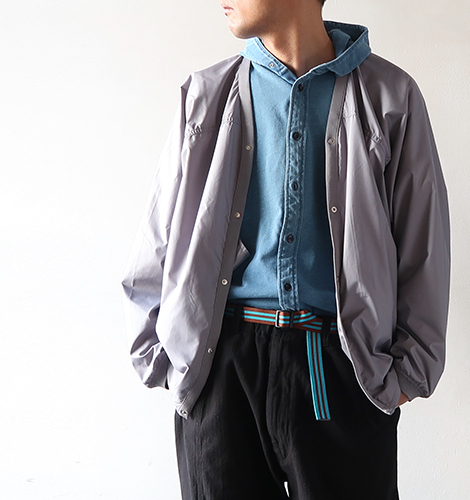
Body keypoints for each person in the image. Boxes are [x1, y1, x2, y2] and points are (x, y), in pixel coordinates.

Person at [121, 0, 450, 498]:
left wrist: (407, 372)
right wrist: (160, 355)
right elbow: (159, 234)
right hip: (220, 366)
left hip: (341, 367)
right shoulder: (206, 94)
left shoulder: (390, 96)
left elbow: (424, 243)